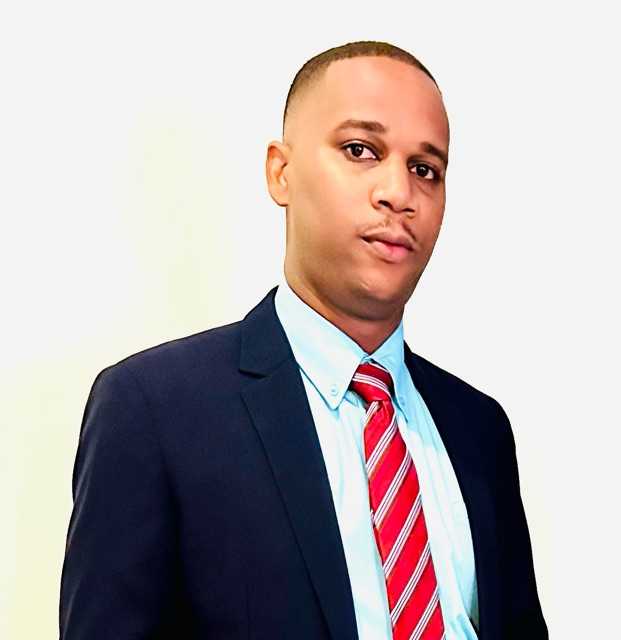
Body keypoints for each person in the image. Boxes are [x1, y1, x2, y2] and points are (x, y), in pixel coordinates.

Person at [59, 40, 548, 640]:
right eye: (360, 150)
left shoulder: (479, 429)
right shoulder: (153, 409)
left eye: (425, 169)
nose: (399, 193)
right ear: (281, 171)